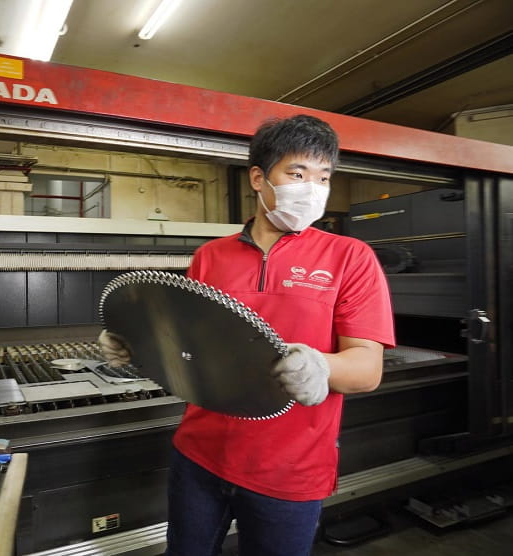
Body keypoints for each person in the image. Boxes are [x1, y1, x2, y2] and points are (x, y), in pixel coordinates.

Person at [99, 114, 395, 556]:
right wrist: (137, 344)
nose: (313, 188)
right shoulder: (210, 256)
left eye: (323, 177)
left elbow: (367, 369)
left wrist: (320, 365)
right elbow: (188, 351)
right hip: (199, 455)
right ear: (259, 178)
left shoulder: (350, 257)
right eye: (298, 173)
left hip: (289, 469)